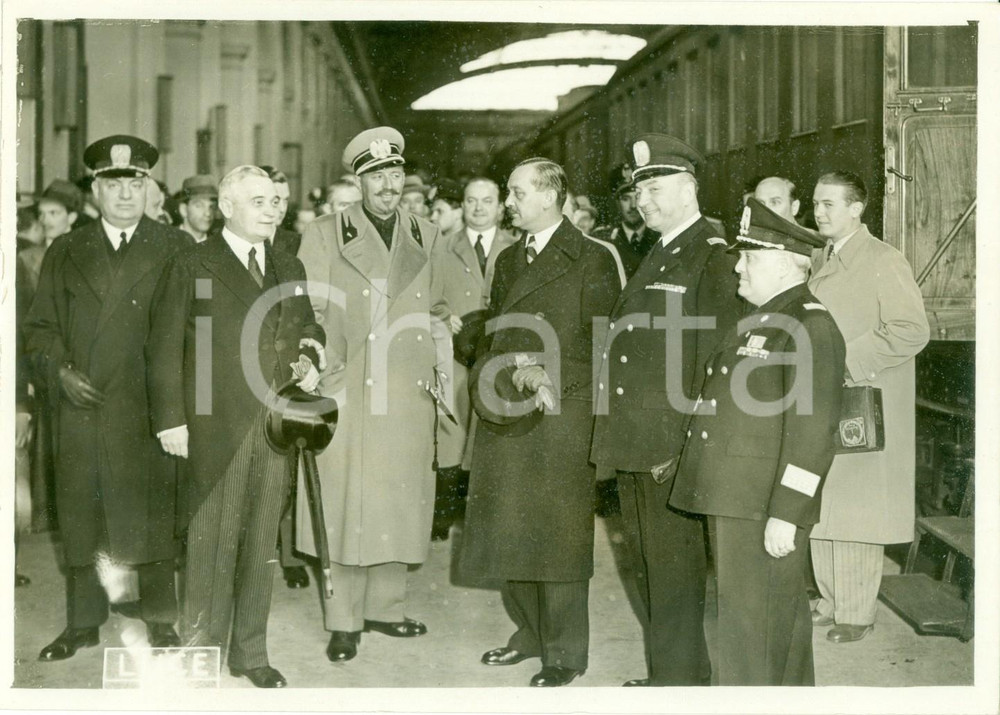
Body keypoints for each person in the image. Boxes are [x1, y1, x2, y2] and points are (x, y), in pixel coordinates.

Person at [147, 165, 324, 688]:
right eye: (259, 201)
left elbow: (308, 324)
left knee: (261, 542)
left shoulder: (289, 264)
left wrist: (311, 355)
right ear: (227, 207)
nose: (273, 209)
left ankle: (250, 652)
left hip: (276, 426)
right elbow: (162, 350)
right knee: (210, 544)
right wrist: (170, 421)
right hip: (213, 425)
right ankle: (199, 654)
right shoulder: (191, 262)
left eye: (275, 201)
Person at [459, 158, 625, 688]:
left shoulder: (591, 258)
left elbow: (603, 349)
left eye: (515, 192)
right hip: (506, 402)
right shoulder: (509, 259)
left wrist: (540, 374)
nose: (508, 203)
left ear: (550, 197)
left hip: (561, 413)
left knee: (558, 539)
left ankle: (565, 651)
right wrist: (502, 374)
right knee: (511, 530)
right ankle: (528, 633)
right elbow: (498, 333)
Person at [24, 134, 190, 660]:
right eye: (112, 183)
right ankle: (83, 622)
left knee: (156, 511)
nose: (124, 194)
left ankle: (161, 617)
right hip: (83, 405)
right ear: (95, 189)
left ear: (149, 188)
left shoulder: (175, 247)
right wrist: (61, 373)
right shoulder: (67, 249)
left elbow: (192, 335)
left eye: (134, 182)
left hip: (150, 408)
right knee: (82, 514)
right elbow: (39, 329)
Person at [670, 198, 846, 685]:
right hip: (738, 498)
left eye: (750, 258)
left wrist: (786, 513)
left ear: (789, 263)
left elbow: (813, 435)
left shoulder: (809, 325)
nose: (738, 269)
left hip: (762, 505)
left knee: (749, 634)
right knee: (772, 628)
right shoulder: (764, 317)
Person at [590, 134, 742, 686]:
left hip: (667, 446)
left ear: (688, 187)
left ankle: (679, 684)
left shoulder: (712, 254)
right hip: (638, 440)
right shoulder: (662, 248)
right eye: (638, 191)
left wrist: (683, 450)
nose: (642, 201)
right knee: (653, 567)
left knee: (673, 572)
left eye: (653, 188)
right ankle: (672, 677)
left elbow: (718, 365)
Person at [296, 126, 451, 663]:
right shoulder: (323, 233)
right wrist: (319, 365)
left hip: (406, 386)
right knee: (348, 502)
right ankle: (344, 620)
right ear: (358, 181)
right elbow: (309, 310)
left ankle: (387, 607)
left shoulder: (427, 234)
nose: (387, 183)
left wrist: (439, 366)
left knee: (398, 500)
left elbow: (438, 308)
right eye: (375, 175)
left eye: (394, 172)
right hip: (349, 384)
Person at [807, 171, 930, 643]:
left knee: (856, 506)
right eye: (816, 204)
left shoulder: (882, 259)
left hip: (865, 398)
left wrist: (846, 361)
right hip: (830, 396)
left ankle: (856, 613)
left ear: (857, 208)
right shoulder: (825, 258)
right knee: (826, 498)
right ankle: (832, 598)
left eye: (830, 205)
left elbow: (909, 330)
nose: (819, 213)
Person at [428, 177, 518, 541]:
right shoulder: (441, 248)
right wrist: (439, 314)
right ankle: (442, 517)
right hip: (454, 355)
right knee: (451, 434)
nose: (479, 208)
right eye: (470, 201)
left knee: (496, 436)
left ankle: (491, 522)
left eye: (487, 200)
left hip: (498, 357)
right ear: (462, 207)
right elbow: (426, 297)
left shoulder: (518, 248)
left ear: (500, 207)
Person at [592, 165, 658, 278]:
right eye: (626, 199)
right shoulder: (602, 239)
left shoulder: (659, 238)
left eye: (637, 197)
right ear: (618, 203)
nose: (633, 206)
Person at [175, 174, 218, 243]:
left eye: (211, 207)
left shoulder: (217, 244)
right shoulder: (168, 242)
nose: (208, 213)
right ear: (183, 210)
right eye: (199, 206)